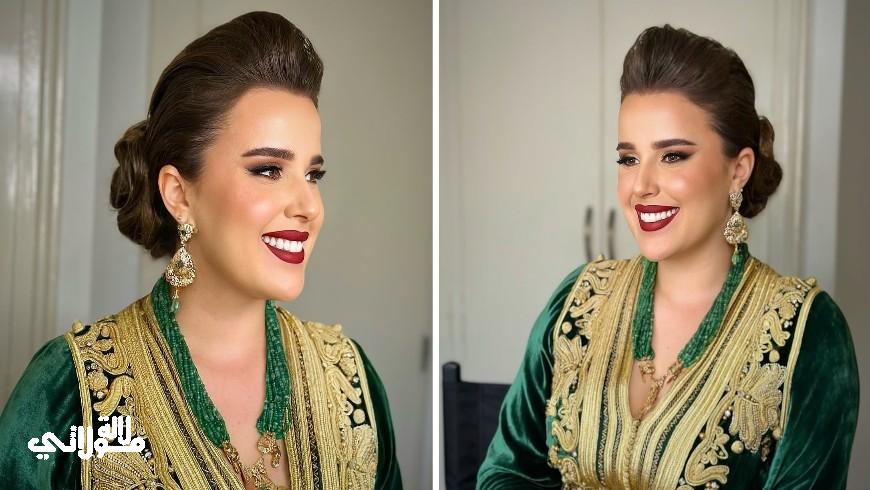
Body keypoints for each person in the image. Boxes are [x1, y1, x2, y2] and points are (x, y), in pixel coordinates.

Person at [0, 11, 401, 489]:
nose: (309, 206)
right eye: (268, 169)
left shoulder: (351, 379)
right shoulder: (67, 393)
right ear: (179, 194)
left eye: (313, 175)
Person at [477, 25, 858, 489]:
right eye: (628, 159)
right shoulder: (578, 301)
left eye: (673, 156)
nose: (641, 186)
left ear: (738, 169)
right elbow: (505, 471)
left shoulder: (808, 334)